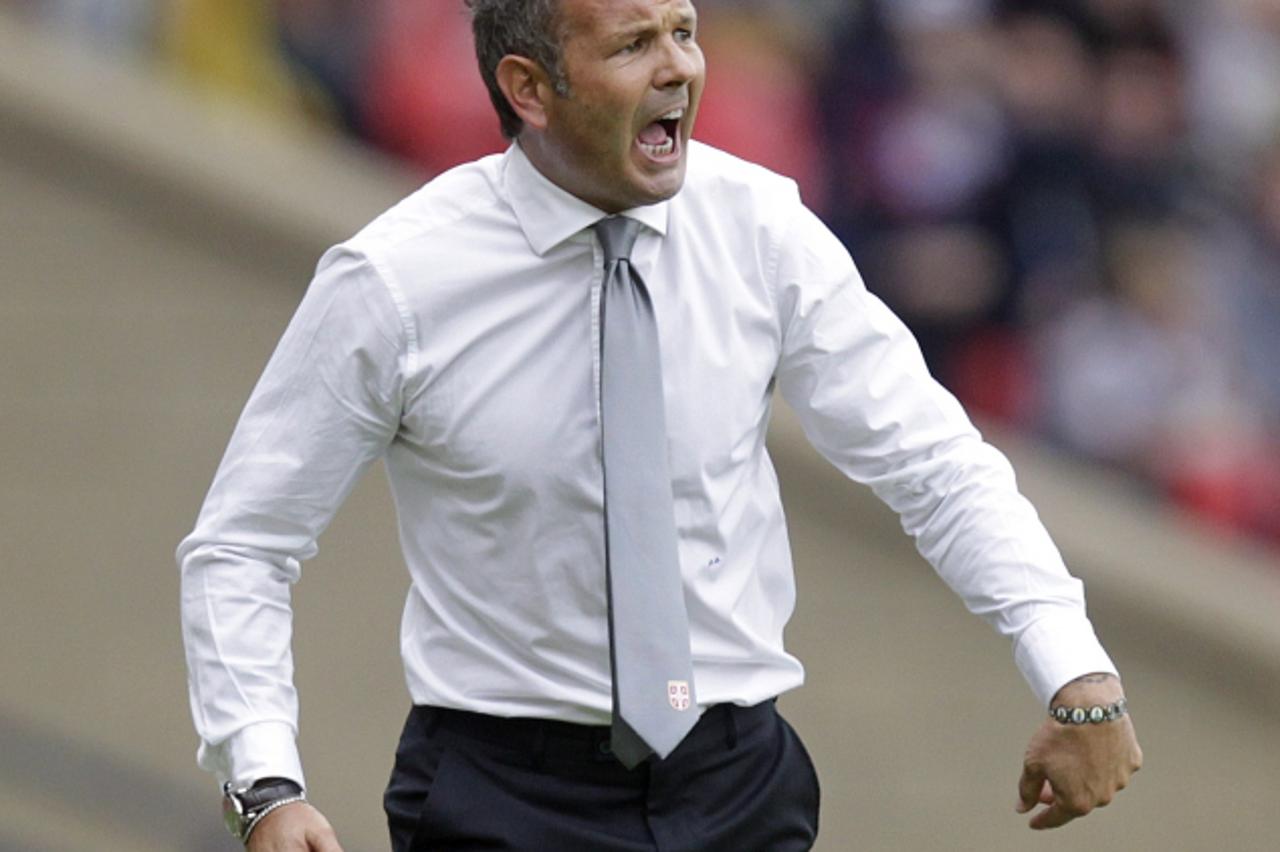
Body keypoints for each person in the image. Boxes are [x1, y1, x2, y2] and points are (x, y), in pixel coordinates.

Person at [177, 0, 1143, 849]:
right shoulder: (394, 280)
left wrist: (1075, 671)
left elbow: (934, 465)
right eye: (634, 43)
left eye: (683, 30)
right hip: (504, 796)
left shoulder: (763, 230)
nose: (679, 65)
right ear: (529, 87)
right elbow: (244, 544)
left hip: (739, 785)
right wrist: (263, 783)